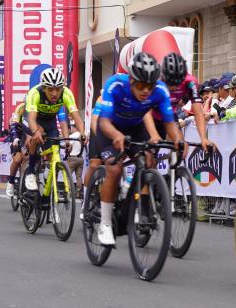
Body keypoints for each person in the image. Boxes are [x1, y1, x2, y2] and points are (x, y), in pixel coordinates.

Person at [97, 52, 184, 245]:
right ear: (131, 80)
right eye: (141, 86)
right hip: (111, 128)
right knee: (114, 168)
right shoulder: (116, 84)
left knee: (148, 161)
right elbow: (103, 122)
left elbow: (169, 122)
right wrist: (116, 135)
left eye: (150, 86)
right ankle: (104, 223)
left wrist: (178, 139)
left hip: (136, 128)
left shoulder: (160, 90)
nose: (146, 91)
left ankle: (132, 204)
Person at [24, 68, 85, 191]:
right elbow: (31, 119)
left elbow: (76, 116)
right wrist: (35, 132)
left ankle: (48, 185)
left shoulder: (67, 93)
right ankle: (30, 172)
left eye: (58, 89)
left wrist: (83, 133)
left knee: (53, 154)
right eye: (50, 89)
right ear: (44, 87)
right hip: (33, 119)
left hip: (50, 121)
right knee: (38, 133)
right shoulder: (35, 93)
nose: (54, 93)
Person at [158, 52, 212, 150]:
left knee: (181, 148)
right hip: (152, 113)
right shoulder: (156, 79)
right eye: (170, 82)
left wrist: (203, 138)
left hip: (170, 114)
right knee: (149, 156)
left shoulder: (191, 82)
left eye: (177, 82)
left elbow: (198, 113)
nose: (173, 87)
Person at [5, 102, 27, 197]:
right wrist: (15, 138)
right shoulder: (20, 108)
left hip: (30, 134)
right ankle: (11, 182)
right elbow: (13, 126)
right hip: (18, 133)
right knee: (18, 159)